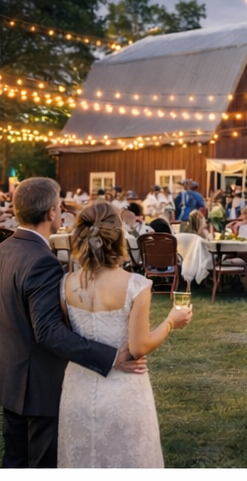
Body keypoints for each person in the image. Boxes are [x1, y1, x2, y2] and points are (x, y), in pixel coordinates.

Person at [0, 177, 146, 468]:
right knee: (41, 465)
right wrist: (110, 356)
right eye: (59, 206)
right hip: (40, 385)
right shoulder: (42, 262)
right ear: (52, 212)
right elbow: (49, 331)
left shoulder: (4, 250)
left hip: (10, 378)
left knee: (14, 460)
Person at [56, 202, 192, 468]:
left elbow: (71, 338)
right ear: (118, 236)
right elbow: (139, 347)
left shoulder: (65, 284)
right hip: (124, 392)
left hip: (78, 390)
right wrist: (170, 322)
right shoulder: (136, 285)